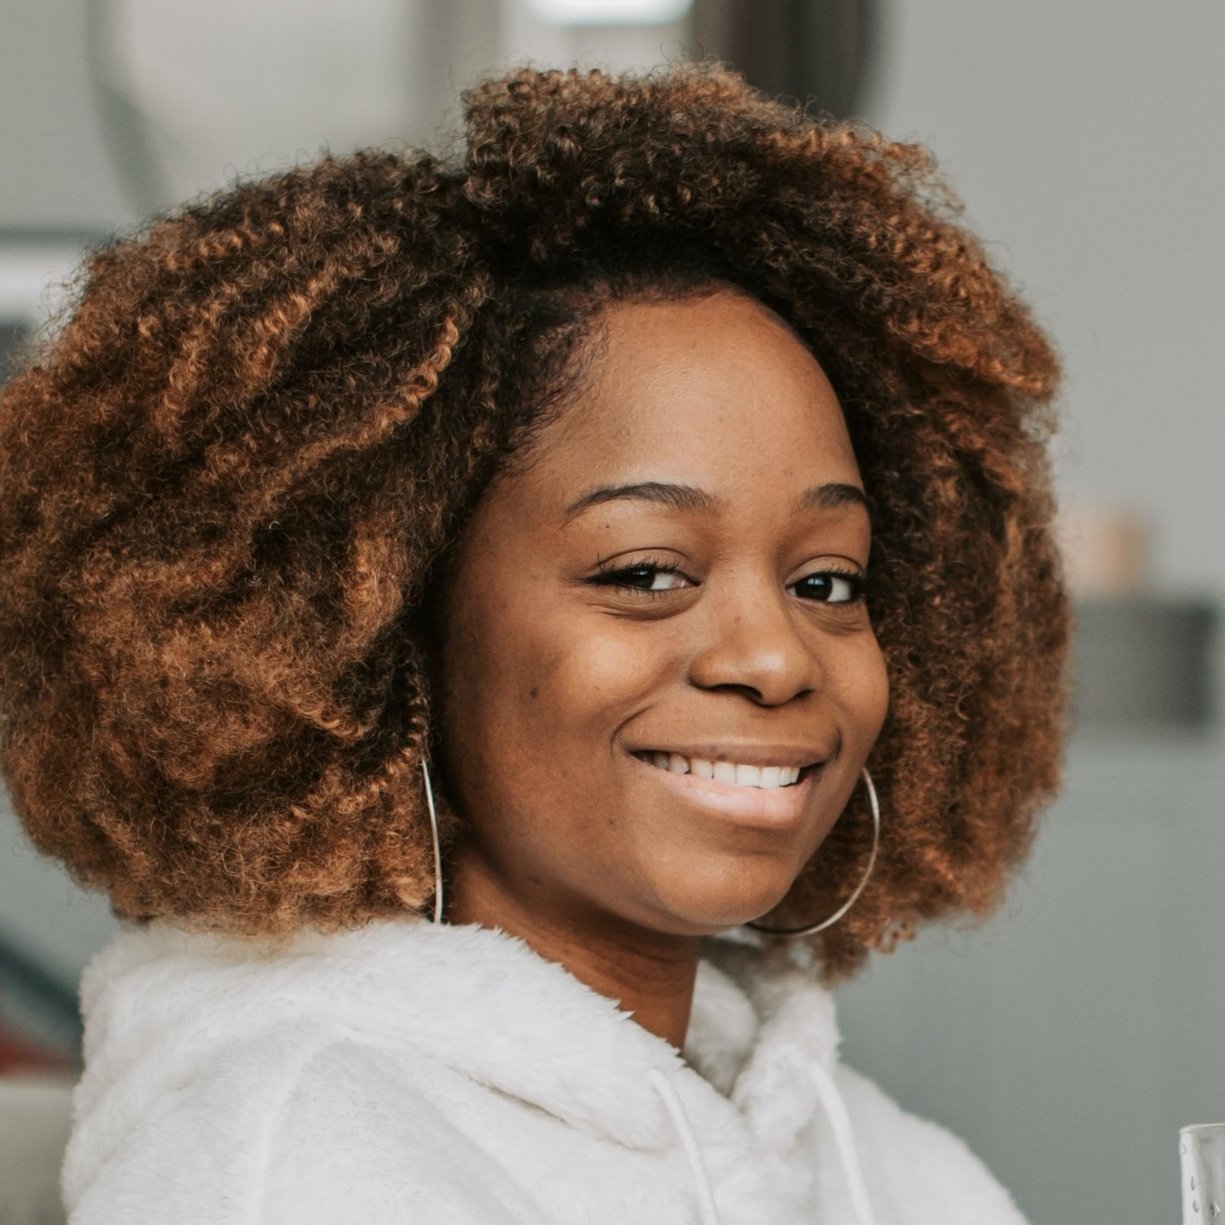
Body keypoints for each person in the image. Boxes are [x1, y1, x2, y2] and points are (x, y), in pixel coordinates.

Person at [0, 63, 1067, 1225]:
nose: (776, 659)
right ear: (380, 632)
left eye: (828, 580)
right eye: (646, 572)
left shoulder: (882, 1162)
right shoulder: (292, 1161)